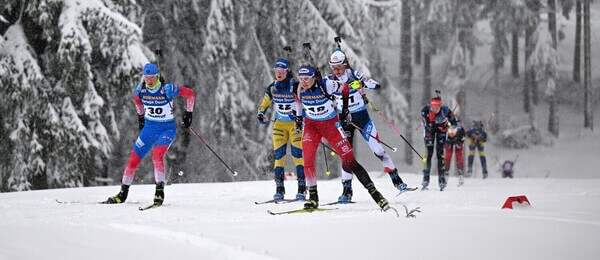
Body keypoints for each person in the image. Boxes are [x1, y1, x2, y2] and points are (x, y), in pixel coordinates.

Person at [294, 64, 390, 210]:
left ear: (314, 77)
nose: (304, 82)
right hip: (311, 127)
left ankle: (376, 194)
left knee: (349, 161)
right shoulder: (298, 88)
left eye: (307, 78)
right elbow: (298, 102)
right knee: (307, 160)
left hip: (331, 126)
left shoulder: (327, 85)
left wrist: (345, 109)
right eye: (301, 79)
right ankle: (313, 198)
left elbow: (345, 88)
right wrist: (299, 118)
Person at [103, 63, 195, 205]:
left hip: (166, 130)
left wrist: (188, 114)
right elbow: (137, 102)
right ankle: (122, 194)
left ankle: (159, 192)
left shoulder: (167, 89)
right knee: (133, 159)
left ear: (157, 76)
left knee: (157, 155)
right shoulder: (140, 90)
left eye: (152, 78)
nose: (149, 81)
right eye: (146, 78)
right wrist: (141, 117)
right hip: (149, 129)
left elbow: (190, 94)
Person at [327, 49, 410, 203]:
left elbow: (376, 85)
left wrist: (361, 83)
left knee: (378, 149)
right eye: (333, 67)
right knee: (347, 156)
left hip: (362, 119)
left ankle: (397, 181)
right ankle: (346, 191)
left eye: (339, 67)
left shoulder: (354, 75)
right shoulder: (329, 81)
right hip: (345, 121)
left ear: (345, 65)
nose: (336, 71)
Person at [257, 59, 306, 201]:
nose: (279, 74)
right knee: (279, 157)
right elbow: (264, 103)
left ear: (287, 71)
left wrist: (299, 116)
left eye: (282, 71)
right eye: (277, 71)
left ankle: (302, 189)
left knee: (298, 155)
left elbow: (304, 104)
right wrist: (261, 113)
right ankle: (279, 189)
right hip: (279, 125)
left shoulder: (294, 86)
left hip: (294, 126)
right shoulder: (273, 88)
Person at [421, 97, 456, 191]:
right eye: (433, 107)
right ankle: (425, 177)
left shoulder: (445, 110)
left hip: (442, 131)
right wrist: (429, 125)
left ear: (440, 106)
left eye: (437, 108)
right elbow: (425, 123)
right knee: (428, 153)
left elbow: (453, 121)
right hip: (430, 131)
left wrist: (451, 129)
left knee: (440, 154)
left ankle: (441, 178)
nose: (435, 110)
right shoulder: (425, 110)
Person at [444, 121, 466, 185]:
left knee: (458, 155)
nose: (452, 134)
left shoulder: (460, 131)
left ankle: (460, 172)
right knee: (448, 156)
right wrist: (447, 143)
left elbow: (463, 138)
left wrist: (459, 143)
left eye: (453, 133)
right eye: (451, 133)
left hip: (458, 141)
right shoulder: (446, 130)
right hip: (449, 141)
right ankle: (446, 172)